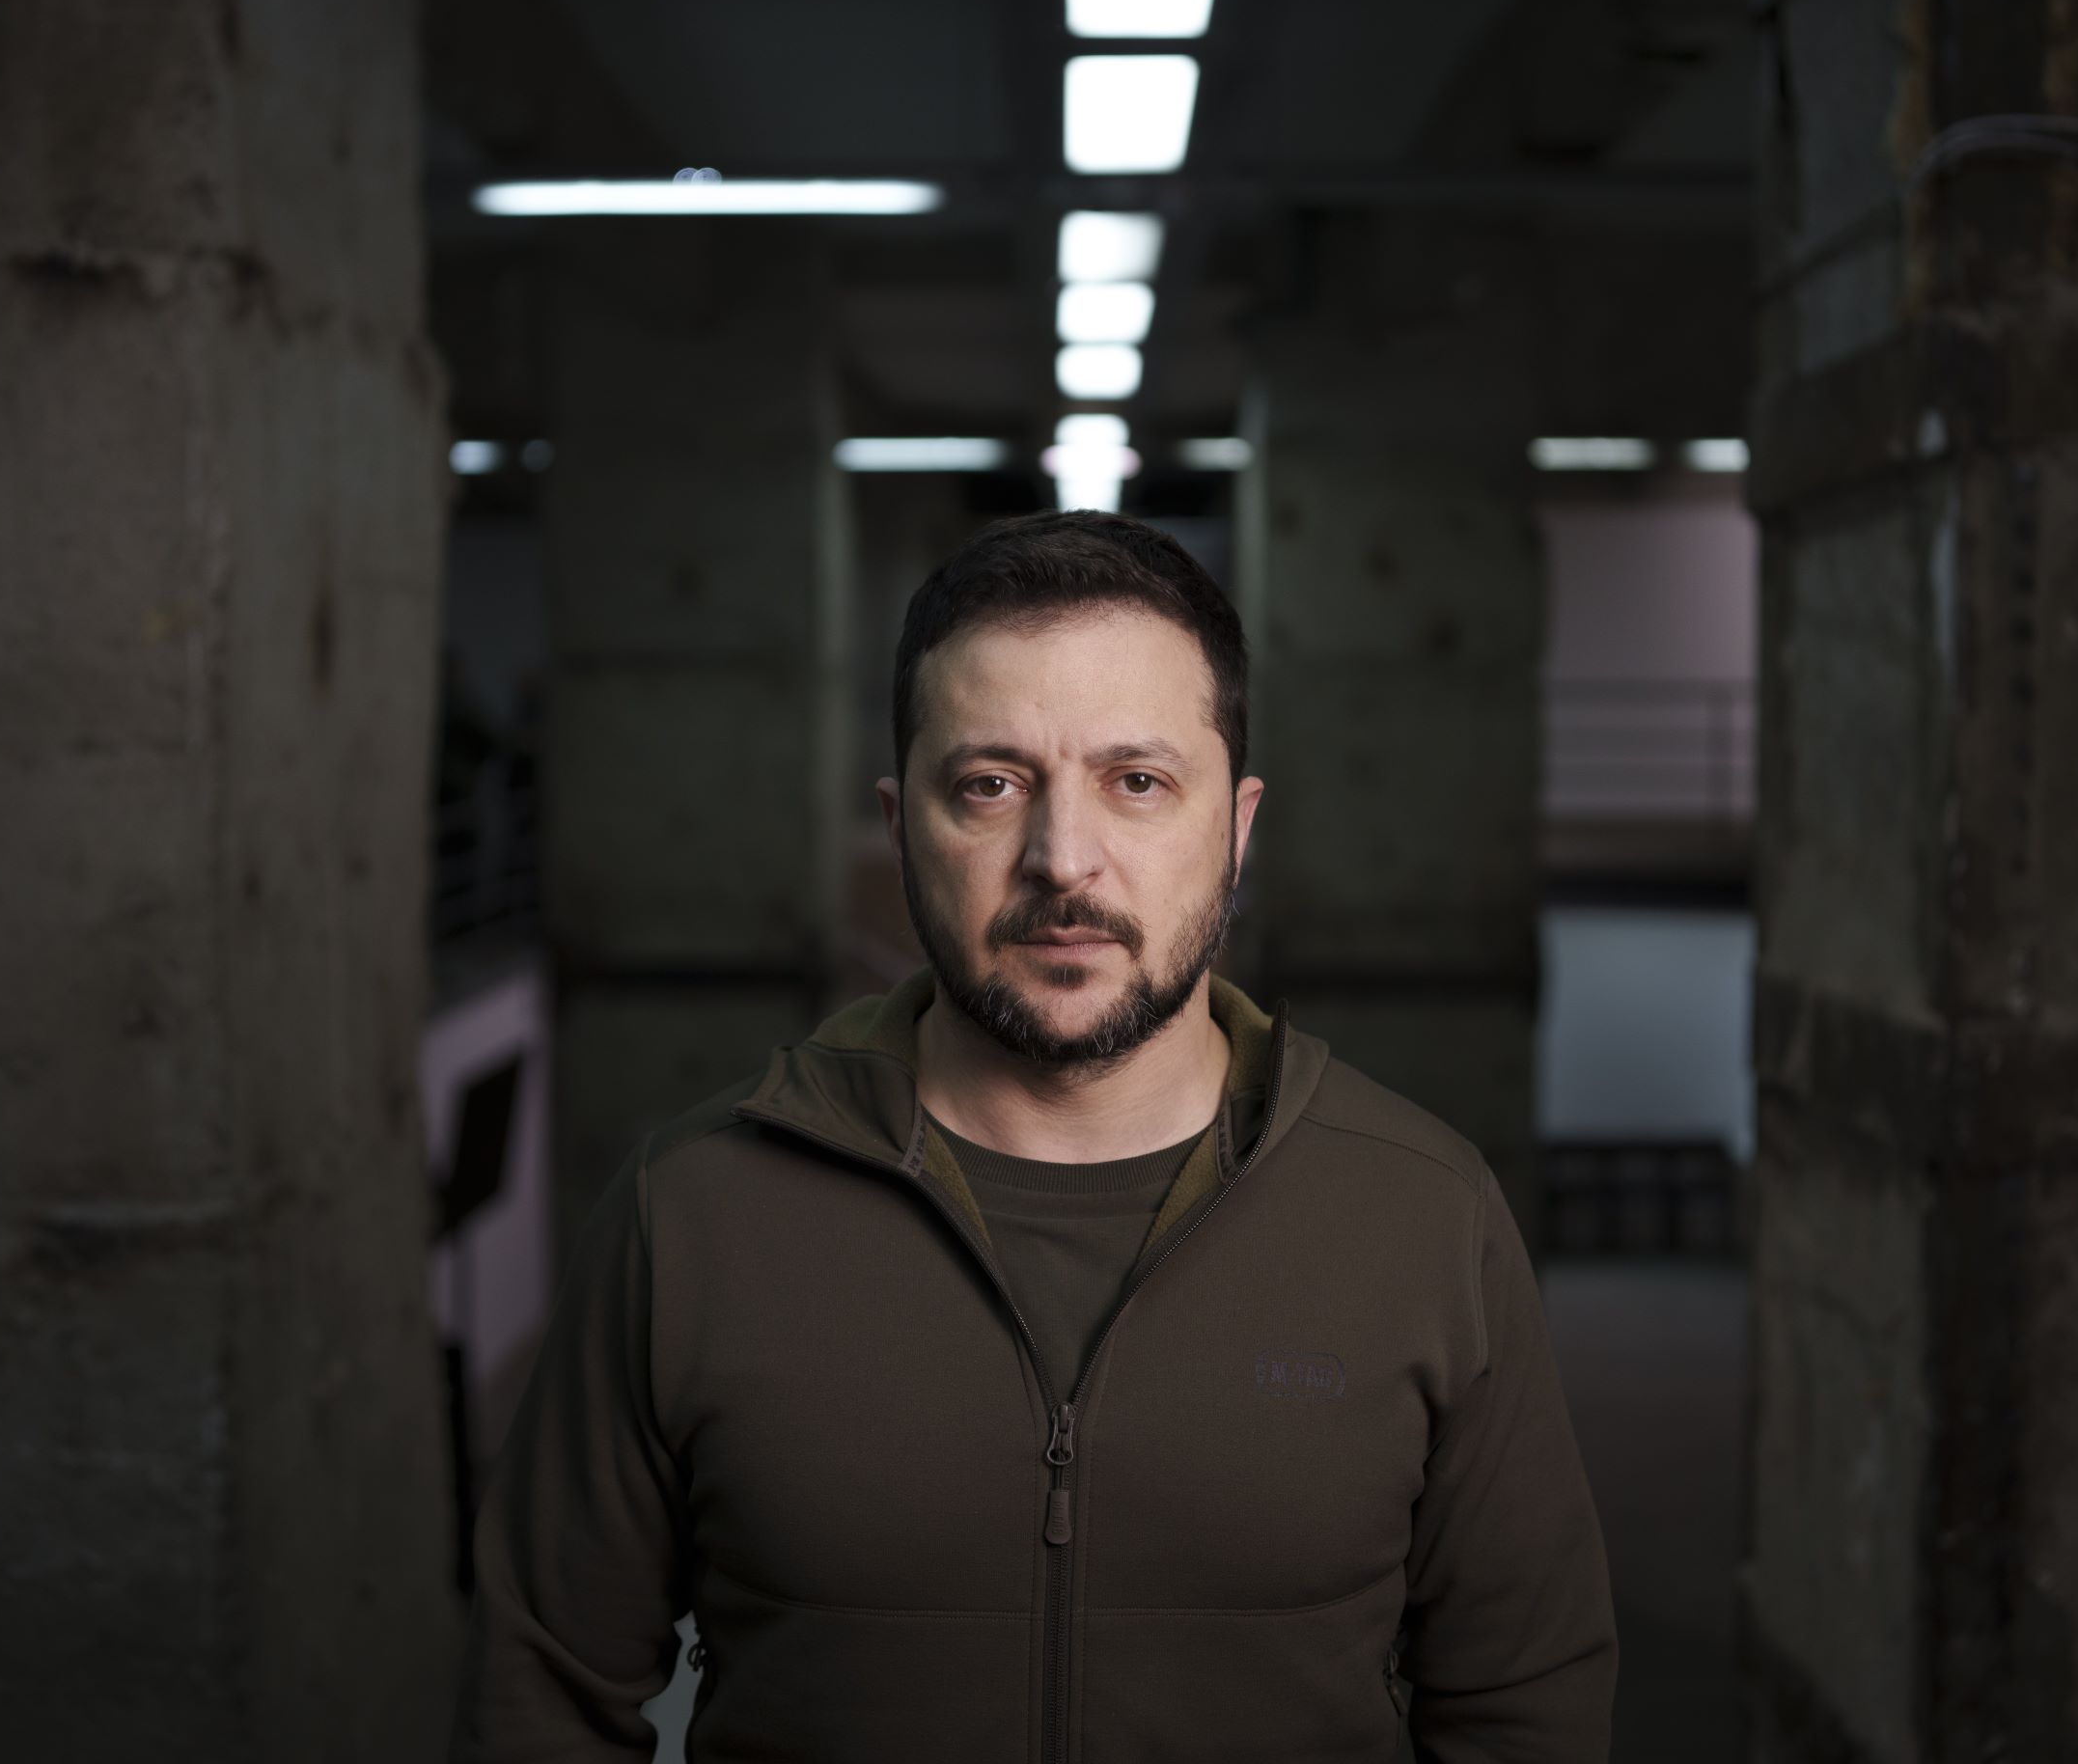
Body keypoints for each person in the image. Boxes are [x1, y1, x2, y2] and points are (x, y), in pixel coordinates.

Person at [456, 511, 1614, 1762]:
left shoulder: (1425, 1217)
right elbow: (541, 1699)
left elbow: (1523, 1707)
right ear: (901, 824)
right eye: (991, 786)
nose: (1064, 862)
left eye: (1137, 782)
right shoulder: (691, 1216)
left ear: (1237, 828)